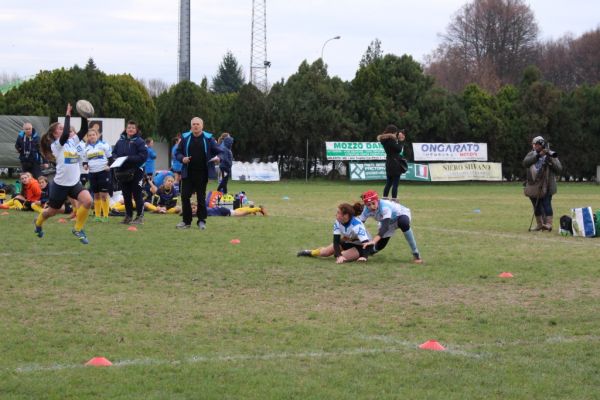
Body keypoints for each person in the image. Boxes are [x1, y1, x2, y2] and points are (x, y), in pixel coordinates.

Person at [35, 103, 92, 244]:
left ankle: (77, 229)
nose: (64, 129)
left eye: (63, 127)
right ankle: (38, 223)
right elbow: (66, 133)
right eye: (60, 128)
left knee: (88, 201)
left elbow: (84, 129)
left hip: (73, 183)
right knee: (51, 212)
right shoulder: (56, 145)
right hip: (60, 185)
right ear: (55, 134)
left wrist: (84, 116)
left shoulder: (72, 142)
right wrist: (67, 114)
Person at [175, 117, 222, 230]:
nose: (196, 126)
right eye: (194, 124)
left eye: (198, 124)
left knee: (201, 198)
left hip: (202, 173)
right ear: (191, 126)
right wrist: (182, 159)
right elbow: (177, 152)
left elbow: (220, 152)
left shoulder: (209, 139)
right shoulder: (185, 138)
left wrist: (218, 158)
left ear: (202, 126)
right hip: (188, 173)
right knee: (185, 196)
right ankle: (186, 221)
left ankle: (201, 221)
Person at [358, 190, 423, 264]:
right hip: (387, 222)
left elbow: (385, 227)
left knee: (404, 223)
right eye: (368, 205)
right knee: (380, 246)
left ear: (377, 200)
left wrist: (373, 241)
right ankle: (372, 251)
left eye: (373, 203)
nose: (371, 206)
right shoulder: (366, 210)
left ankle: (416, 253)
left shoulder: (385, 206)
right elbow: (359, 224)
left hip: (400, 215)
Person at [297, 203, 372, 264]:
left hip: (362, 246)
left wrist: (364, 257)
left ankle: (354, 254)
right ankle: (309, 252)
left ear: (345, 216)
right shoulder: (338, 222)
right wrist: (339, 255)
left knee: (343, 257)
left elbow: (367, 244)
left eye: (338, 213)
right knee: (325, 253)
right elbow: (336, 241)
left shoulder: (357, 225)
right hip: (349, 242)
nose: (336, 215)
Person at [112, 120, 148, 225]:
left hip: (137, 171)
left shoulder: (140, 141)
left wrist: (128, 158)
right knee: (126, 195)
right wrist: (114, 158)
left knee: (137, 194)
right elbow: (114, 153)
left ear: (136, 130)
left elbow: (143, 156)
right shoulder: (120, 141)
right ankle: (128, 216)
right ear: (126, 129)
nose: (131, 129)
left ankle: (139, 217)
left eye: (133, 128)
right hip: (123, 172)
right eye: (129, 128)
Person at [523, 136, 562, 231]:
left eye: (536, 144)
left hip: (547, 184)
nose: (534, 146)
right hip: (533, 185)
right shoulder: (531, 154)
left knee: (546, 203)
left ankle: (548, 224)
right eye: (533, 144)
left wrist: (550, 160)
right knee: (535, 205)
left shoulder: (550, 154)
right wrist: (538, 155)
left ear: (541, 145)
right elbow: (525, 163)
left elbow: (559, 169)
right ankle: (539, 224)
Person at [82, 127, 113, 222]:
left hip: (103, 173)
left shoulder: (104, 145)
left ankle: (106, 216)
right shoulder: (86, 147)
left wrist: (109, 166)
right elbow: (84, 161)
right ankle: (97, 216)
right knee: (96, 195)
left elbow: (111, 158)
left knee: (104, 195)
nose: (92, 137)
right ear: (87, 137)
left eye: (93, 135)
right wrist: (85, 166)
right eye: (89, 135)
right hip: (92, 174)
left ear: (97, 135)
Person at [378, 124, 407, 201]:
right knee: (395, 184)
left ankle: (384, 199)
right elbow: (398, 149)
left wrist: (397, 140)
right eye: (396, 132)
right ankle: (394, 200)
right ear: (393, 132)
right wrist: (401, 141)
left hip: (389, 162)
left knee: (388, 183)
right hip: (395, 163)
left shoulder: (385, 140)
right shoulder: (391, 140)